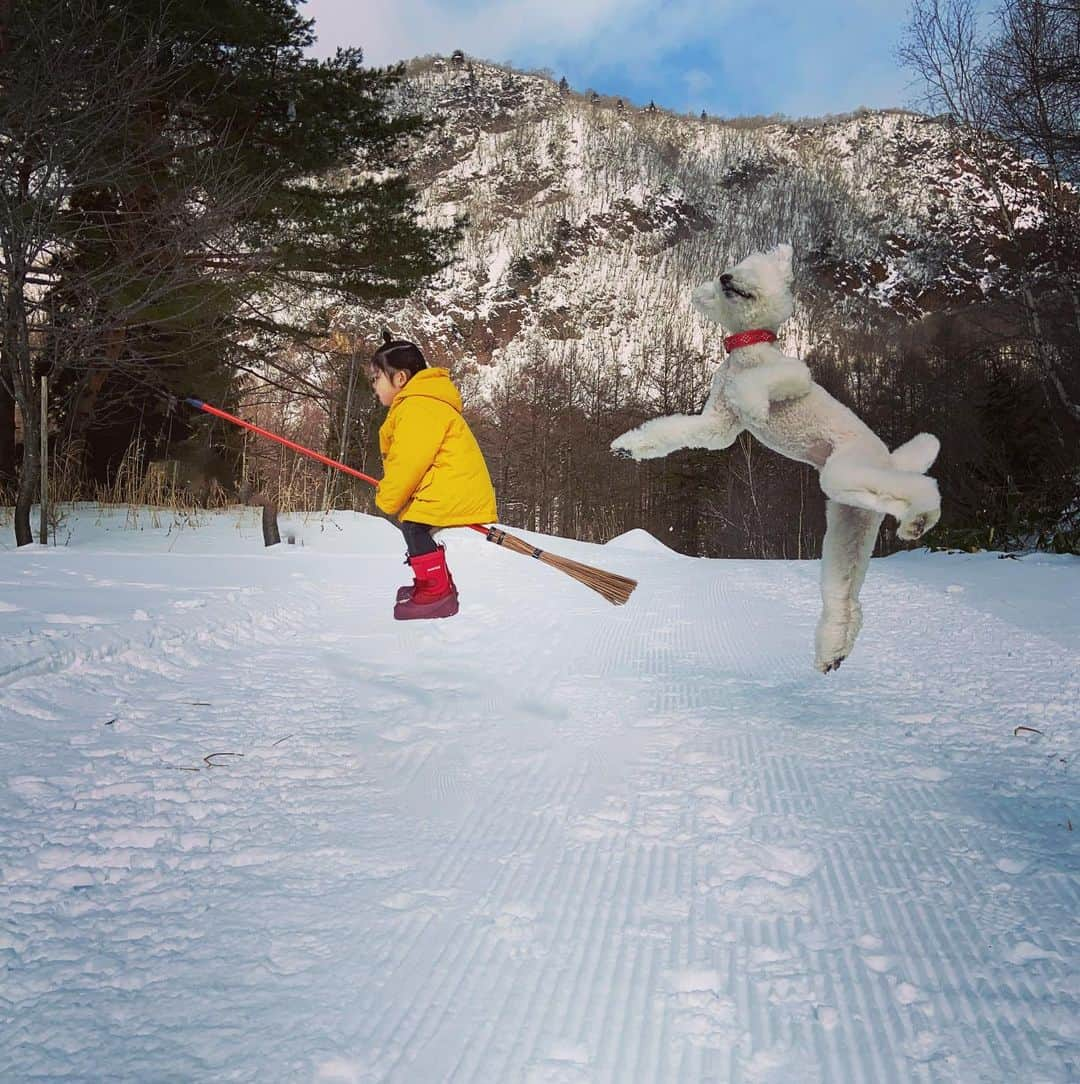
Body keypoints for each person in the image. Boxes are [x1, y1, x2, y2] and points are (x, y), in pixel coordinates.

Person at [369, 332, 497, 620]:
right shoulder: (421, 403)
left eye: (376, 377)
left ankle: (436, 593)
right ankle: (435, 585)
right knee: (415, 528)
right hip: (449, 486)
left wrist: (388, 497)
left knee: (414, 528)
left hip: (452, 489)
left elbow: (409, 462)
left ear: (400, 378)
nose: (373, 385)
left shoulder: (418, 406)